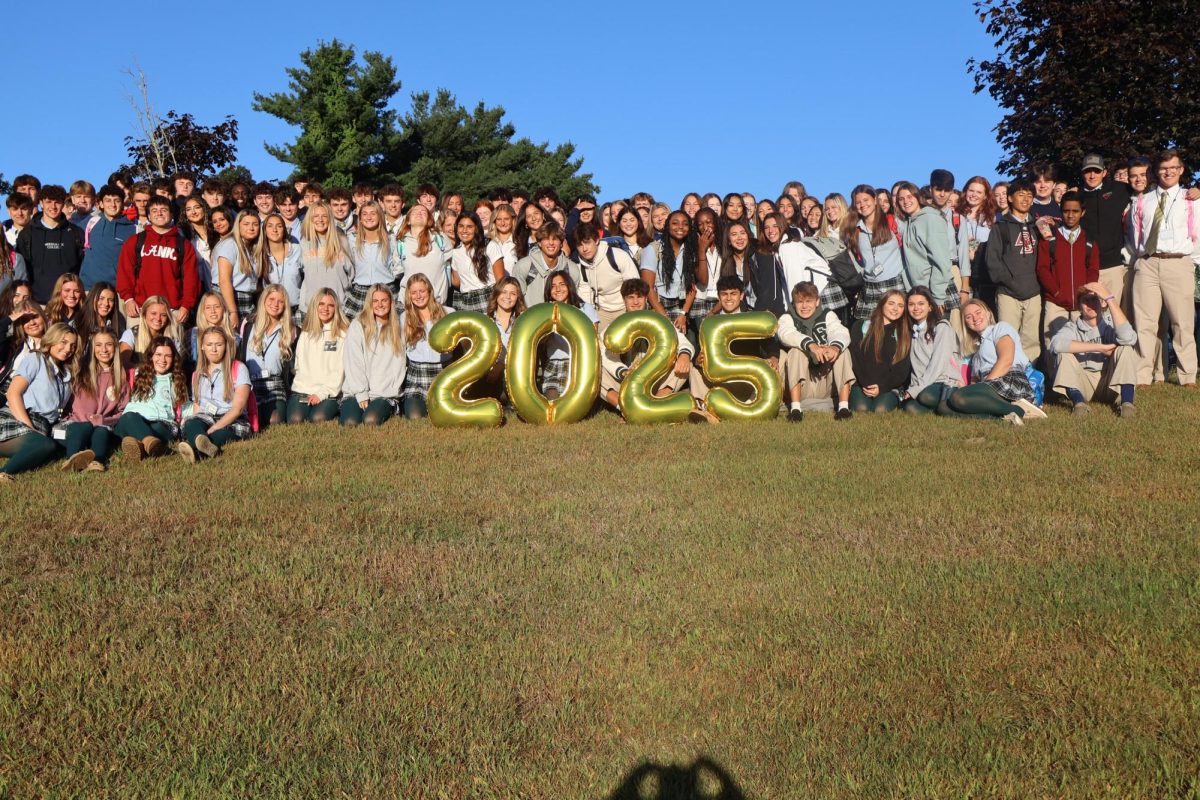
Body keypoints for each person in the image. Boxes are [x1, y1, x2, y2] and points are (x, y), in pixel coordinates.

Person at [1128, 149, 1200, 387]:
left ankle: (1187, 375)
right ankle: (1142, 375)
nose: (1168, 172)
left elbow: (1198, 234)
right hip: (1148, 263)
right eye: (1163, 168)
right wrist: (1140, 261)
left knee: (1183, 323)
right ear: (1155, 172)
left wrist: (1191, 263)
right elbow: (1136, 236)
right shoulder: (1142, 201)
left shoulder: (1191, 199)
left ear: (1181, 170)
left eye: (1173, 168)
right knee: (1145, 323)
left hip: (1178, 262)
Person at [687, 275, 778, 423]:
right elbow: (699, 349)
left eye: (733, 293)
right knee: (695, 368)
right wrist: (698, 359)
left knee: (780, 359)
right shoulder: (710, 323)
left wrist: (773, 357)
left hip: (747, 380)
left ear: (741, 295)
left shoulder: (751, 317)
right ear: (719, 296)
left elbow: (772, 342)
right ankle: (703, 408)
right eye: (724, 294)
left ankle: (768, 403)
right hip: (720, 380)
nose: (728, 298)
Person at [601, 278, 694, 412]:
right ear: (624, 300)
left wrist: (684, 356)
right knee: (596, 368)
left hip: (655, 379)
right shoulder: (616, 325)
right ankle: (625, 408)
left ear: (646, 299)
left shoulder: (659, 321)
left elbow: (682, 341)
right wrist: (622, 372)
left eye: (639, 297)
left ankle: (658, 401)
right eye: (630, 297)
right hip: (625, 381)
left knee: (685, 362)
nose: (635, 302)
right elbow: (605, 353)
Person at [0, 324, 78, 481]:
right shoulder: (36, 359)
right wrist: (29, 428)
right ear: (51, 340)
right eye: (63, 342)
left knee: (77, 433)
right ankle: (5, 472)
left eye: (73, 345)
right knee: (45, 445)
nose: (68, 348)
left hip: (45, 426)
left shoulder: (67, 375)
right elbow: (13, 393)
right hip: (16, 418)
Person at [1049, 282, 1137, 417]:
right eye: (1085, 301)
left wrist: (1110, 299)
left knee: (1125, 349)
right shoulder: (1072, 327)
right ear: (1079, 306)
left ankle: (1127, 404)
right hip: (1084, 384)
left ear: (1102, 303)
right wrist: (1100, 348)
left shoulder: (1111, 322)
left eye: (1094, 299)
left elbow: (1129, 338)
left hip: (1110, 382)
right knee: (1063, 355)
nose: (1090, 304)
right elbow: (1056, 345)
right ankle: (1079, 404)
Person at [947, 299, 1042, 423]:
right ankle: (1004, 418)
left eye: (978, 312)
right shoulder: (975, 352)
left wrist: (983, 386)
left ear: (987, 313)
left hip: (1009, 378)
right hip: (990, 385)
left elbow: (1006, 360)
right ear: (965, 323)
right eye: (969, 317)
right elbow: (974, 382)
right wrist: (967, 388)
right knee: (945, 407)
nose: (975, 318)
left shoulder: (999, 328)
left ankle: (1019, 410)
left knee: (958, 398)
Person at [116, 196, 200, 328]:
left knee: (171, 348)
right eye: (154, 210)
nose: (159, 213)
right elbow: (125, 272)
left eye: (163, 210)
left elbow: (191, 278)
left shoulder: (183, 244)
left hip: (173, 310)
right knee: (139, 349)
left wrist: (186, 306)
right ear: (148, 215)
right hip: (140, 309)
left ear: (171, 214)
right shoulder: (135, 241)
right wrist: (128, 299)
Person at [776, 281, 851, 422]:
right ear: (794, 303)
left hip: (824, 381)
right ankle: (796, 410)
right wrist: (811, 345)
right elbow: (786, 334)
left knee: (842, 351)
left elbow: (840, 332)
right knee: (796, 351)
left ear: (817, 302)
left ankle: (843, 408)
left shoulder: (827, 315)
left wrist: (834, 347)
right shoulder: (787, 317)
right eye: (800, 302)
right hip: (800, 384)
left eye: (809, 301)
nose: (804, 306)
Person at [985, 181, 1043, 363]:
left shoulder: (1038, 226)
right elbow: (992, 262)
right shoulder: (1000, 227)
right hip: (1008, 293)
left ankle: (1029, 379)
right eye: (1021, 194)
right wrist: (1010, 282)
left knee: (1031, 340)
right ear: (1010, 198)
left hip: (1034, 292)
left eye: (1029, 195)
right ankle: (1010, 377)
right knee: (1007, 338)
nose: (1025, 199)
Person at [60, 330, 129, 471]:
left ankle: (97, 461)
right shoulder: (79, 371)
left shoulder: (120, 378)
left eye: (108, 344)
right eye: (98, 345)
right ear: (92, 348)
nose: (103, 350)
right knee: (81, 428)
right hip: (75, 425)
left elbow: (123, 411)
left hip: (100, 426)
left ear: (115, 347)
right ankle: (72, 460)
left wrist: (105, 420)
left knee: (101, 432)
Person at [181, 328, 253, 463]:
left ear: (226, 346)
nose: (214, 349)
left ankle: (196, 451)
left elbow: (237, 409)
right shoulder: (197, 374)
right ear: (202, 346)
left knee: (219, 434)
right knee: (191, 422)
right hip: (206, 418)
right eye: (209, 345)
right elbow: (197, 406)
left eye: (218, 345)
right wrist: (198, 424)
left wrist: (214, 427)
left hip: (231, 420)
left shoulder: (239, 368)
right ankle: (200, 444)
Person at [1036, 191, 1099, 342]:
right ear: (1061, 211)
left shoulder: (1089, 242)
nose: (1070, 215)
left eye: (1075, 211)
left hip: (1081, 303)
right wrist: (1057, 293)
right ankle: (1052, 367)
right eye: (1066, 211)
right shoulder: (1049, 239)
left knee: (1082, 343)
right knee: (1053, 343)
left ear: (1082, 212)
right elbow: (1042, 269)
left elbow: (1093, 270)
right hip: (1055, 302)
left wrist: (1085, 293)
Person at [340, 284, 406, 427]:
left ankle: (390, 407)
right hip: (356, 390)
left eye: (384, 300)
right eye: (375, 301)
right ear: (369, 303)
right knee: (349, 422)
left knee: (371, 420)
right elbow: (353, 362)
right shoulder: (358, 325)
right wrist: (361, 392)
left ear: (391, 302)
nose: (380, 305)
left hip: (384, 392)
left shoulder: (399, 326)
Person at [115, 336, 188, 463]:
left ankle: (139, 446)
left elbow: (185, 407)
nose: (162, 360)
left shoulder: (177, 381)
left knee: (159, 428)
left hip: (162, 423)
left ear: (173, 358)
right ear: (151, 356)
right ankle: (151, 444)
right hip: (134, 419)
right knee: (128, 417)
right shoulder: (135, 375)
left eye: (168, 356)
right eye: (158, 354)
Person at [894, 182, 960, 318]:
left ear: (917, 197)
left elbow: (940, 260)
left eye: (909, 196)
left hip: (934, 290)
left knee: (938, 335)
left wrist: (937, 296)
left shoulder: (930, 219)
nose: (906, 201)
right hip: (918, 289)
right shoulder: (910, 222)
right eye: (901, 199)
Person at [1078, 154, 1134, 311]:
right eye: (1088, 171)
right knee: (1090, 316)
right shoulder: (1077, 197)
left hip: (1114, 266)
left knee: (1114, 314)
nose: (1092, 175)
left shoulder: (1119, 189)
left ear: (1104, 172)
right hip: (1087, 268)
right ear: (1082, 174)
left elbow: (1144, 188)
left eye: (1096, 171)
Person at [843, 289, 910, 416]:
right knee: (861, 408)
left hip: (888, 385)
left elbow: (902, 369)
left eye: (900, 306)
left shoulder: (903, 333)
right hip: (862, 382)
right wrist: (866, 384)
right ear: (882, 304)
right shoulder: (861, 326)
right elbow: (855, 359)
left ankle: (895, 396)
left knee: (880, 409)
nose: (895, 308)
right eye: (891, 303)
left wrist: (881, 387)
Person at [238, 284, 296, 428]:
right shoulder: (248, 324)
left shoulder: (290, 329)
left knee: (274, 421)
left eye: (280, 301)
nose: (275, 304)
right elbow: (240, 356)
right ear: (264, 300)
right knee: (251, 421)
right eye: (271, 299)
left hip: (275, 383)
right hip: (251, 383)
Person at [15, 185, 85, 304]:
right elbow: (22, 272)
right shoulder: (27, 234)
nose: (53, 206)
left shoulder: (76, 233)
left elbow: (81, 268)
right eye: (48, 202)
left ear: (63, 204)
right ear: (41, 203)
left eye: (57, 202)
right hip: (37, 304)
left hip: (67, 303)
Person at [287, 289, 348, 424]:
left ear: (336, 308)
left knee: (317, 418)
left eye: (330, 305)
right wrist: (305, 389)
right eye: (321, 304)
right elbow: (298, 366)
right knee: (295, 419)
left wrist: (320, 394)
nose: (325, 309)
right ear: (315, 306)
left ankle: (336, 407)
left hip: (329, 392)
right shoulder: (306, 333)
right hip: (303, 390)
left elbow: (340, 371)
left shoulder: (342, 334)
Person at [846, 185, 904, 320]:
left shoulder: (893, 222)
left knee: (896, 329)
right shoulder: (855, 230)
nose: (862, 205)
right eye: (858, 202)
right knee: (865, 331)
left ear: (875, 200)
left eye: (866, 200)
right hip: (870, 286)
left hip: (894, 283)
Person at [902, 286, 963, 415]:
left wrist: (916, 389)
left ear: (930, 307)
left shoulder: (941, 328)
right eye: (911, 304)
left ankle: (952, 406)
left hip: (942, 381)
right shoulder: (912, 330)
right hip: (923, 384)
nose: (916, 308)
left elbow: (938, 364)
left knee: (925, 396)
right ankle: (942, 408)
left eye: (921, 304)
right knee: (910, 408)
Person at [398, 274, 453, 419]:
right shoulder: (404, 317)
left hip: (442, 371)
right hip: (417, 375)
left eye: (422, 291)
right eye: (414, 292)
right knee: (415, 416)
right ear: (409, 295)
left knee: (444, 416)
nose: (418, 296)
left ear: (429, 291)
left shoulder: (448, 313)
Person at [539, 272, 598, 400]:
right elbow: (541, 342)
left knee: (573, 400)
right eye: (553, 286)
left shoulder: (584, 308)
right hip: (555, 362)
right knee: (552, 398)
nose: (558, 289)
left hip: (579, 362)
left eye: (562, 284)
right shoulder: (546, 311)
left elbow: (593, 338)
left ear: (569, 286)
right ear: (549, 291)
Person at [572, 221, 639, 333]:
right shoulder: (579, 266)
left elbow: (634, 285)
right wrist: (592, 318)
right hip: (601, 311)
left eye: (587, 243)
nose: (584, 249)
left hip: (624, 308)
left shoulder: (618, 255)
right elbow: (585, 296)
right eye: (580, 245)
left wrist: (632, 311)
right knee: (597, 344)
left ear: (597, 240)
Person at [639, 211, 696, 326]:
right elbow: (648, 287)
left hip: (681, 307)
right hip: (658, 306)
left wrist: (683, 313)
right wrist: (664, 317)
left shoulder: (690, 250)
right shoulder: (653, 249)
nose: (680, 227)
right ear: (667, 226)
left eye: (685, 224)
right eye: (675, 223)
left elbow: (692, 287)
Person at [343, 201, 398, 319]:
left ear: (380, 216)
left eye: (373, 213)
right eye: (365, 214)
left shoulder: (390, 239)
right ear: (360, 218)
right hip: (361, 290)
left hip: (386, 288)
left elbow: (396, 264)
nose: (369, 217)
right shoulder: (351, 239)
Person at [212, 210, 268, 326]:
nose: (251, 228)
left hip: (246, 299)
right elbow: (224, 281)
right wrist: (233, 311)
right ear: (238, 226)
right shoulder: (230, 244)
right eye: (246, 224)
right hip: (229, 299)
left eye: (255, 224)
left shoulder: (251, 247)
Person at [298, 202, 354, 313]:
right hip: (311, 308)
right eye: (316, 216)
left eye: (324, 216)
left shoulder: (342, 241)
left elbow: (351, 274)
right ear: (310, 219)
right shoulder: (303, 243)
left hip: (339, 308)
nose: (320, 220)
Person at [511, 222, 581, 309]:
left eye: (555, 239)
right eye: (546, 239)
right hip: (531, 318)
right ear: (539, 243)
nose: (551, 243)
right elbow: (517, 299)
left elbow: (574, 300)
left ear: (561, 243)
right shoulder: (524, 266)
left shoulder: (571, 269)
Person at [80, 185, 137, 291]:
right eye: (108, 200)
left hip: (119, 291)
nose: (113, 204)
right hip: (89, 289)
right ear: (101, 203)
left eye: (117, 201)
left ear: (122, 203)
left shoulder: (133, 229)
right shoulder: (89, 223)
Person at [449, 213, 505, 312]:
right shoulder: (455, 251)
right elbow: (456, 282)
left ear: (476, 229)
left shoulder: (490, 245)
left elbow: (500, 279)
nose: (464, 230)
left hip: (489, 298)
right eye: (461, 226)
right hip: (465, 301)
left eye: (469, 227)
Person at [396, 204, 449, 305]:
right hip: (409, 305)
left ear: (429, 220)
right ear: (408, 220)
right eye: (415, 212)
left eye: (423, 212)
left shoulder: (440, 239)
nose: (419, 213)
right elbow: (398, 272)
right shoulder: (400, 244)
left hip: (437, 304)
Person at [120, 295, 186, 368]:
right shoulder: (131, 334)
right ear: (144, 314)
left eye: (163, 315)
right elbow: (123, 363)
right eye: (153, 313)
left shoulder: (173, 338)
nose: (158, 318)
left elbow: (177, 367)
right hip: (138, 377)